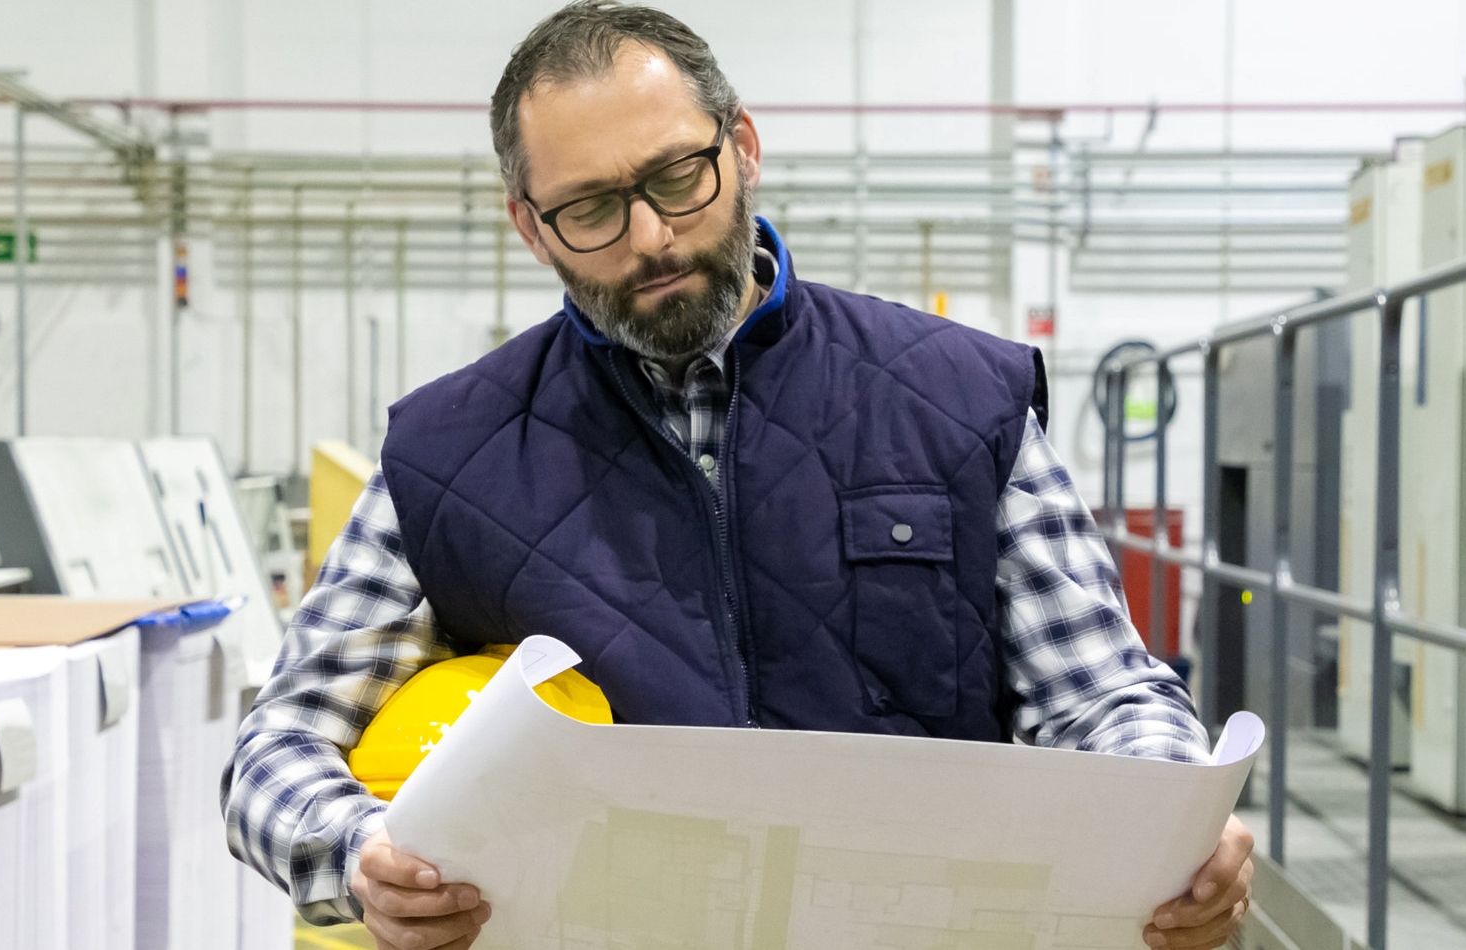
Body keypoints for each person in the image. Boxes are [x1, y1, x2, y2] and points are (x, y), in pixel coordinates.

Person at [225, 4, 1254, 948]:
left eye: (677, 177)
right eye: (589, 208)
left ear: (743, 146)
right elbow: (274, 749)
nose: (649, 235)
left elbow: (1100, 692)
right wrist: (363, 855)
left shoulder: (957, 400)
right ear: (530, 227)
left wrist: (1172, 827)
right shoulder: (448, 453)